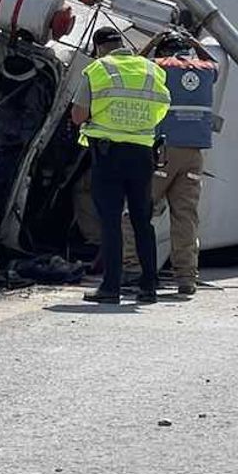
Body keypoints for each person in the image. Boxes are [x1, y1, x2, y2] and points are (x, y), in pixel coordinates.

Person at [71, 27, 170, 304]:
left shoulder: (98, 69)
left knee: (111, 222)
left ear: (99, 47)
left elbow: (78, 116)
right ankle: (149, 287)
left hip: (108, 155)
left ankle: (110, 288)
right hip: (142, 154)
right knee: (142, 221)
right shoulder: (151, 70)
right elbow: (162, 108)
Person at [121, 32, 219, 296]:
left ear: (161, 51)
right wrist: (197, 45)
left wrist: (151, 42)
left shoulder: (159, 68)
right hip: (194, 154)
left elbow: (135, 65)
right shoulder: (206, 70)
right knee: (185, 217)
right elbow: (213, 63)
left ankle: (133, 271)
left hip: (163, 151)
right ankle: (187, 278)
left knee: (137, 212)